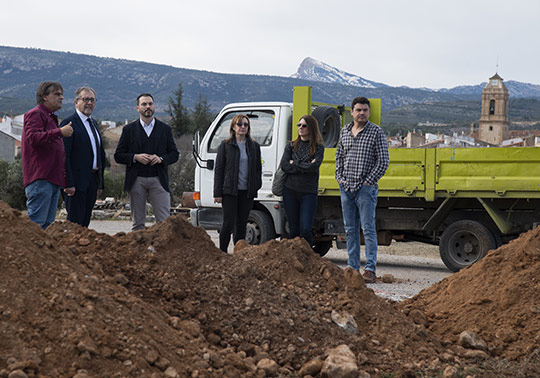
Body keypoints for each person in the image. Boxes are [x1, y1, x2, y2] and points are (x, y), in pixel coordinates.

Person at [335, 97, 389, 283]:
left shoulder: (376, 132)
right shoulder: (344, 132)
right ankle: (352, 267)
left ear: (368, 112)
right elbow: (339, 157)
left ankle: (370, 270)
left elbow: (383, 161)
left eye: (365, 110)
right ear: (352, 112)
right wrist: (340, 179)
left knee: (368, 229)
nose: (362, 113)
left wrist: (368, 182)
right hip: (346, 187)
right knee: (350, 230)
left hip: (366, 189)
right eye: (358, 110)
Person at [114, 93, 179, 231]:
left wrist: (161, 159)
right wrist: (135, 157)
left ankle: (162, 252)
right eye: (144, 104)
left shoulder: (165, 129)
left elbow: (174, 154)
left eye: (150, 103)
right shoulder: (128, 130)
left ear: (154, 106)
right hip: (136, 180)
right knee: (138, 224)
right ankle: (140, 252)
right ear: (138, 108)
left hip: (159, 180)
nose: (147, 107)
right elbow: (118, 155)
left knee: (164, 223)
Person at [21, 81, 74, 229]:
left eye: (62, 94)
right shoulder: (35, 114)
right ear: (44, 97)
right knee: (37, 227)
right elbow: (33, 137)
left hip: (52, 179)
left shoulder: (50, 117)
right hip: (41, 179)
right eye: (57, 94)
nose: (61, 97)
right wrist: (59, 132)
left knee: (47, 226)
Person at [213, 114, 262, 252]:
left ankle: (238, 253)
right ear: (233, 127)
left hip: (246, 192)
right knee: (228, 223)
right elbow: (219, 170)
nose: (243, 127)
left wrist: (255, 186)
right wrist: (217, 193)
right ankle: (222, 252)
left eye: (245, 125)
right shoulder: (226, 145)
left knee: (241, 224)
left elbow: (258, 169)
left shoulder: (254, 146)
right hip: (229, 191)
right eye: (239, 124)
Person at [60, 86, 105, 227]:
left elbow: (99, 154)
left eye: (92, 100)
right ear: (76, 102)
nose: (89, 103)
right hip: (76, 184)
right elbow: (63, 155)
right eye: (85, 99)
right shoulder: (69, 123)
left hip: (92, 182)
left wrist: (99, 183)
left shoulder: (93, 123)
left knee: (85, 224)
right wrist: (68, 183)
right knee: (74, 225)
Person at [279, 114, 324, 247]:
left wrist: (295, 163)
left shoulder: (318, 147)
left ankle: (309, 258)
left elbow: (314, 167)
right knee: (293, 229)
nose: (300, 128)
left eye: (304, 125)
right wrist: (305, 165)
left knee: (305, 228)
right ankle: (294, 259)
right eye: (299, 125)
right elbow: (285, 166)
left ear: (311, 128)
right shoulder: (291, 146)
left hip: (308, 192)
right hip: (290, 191)